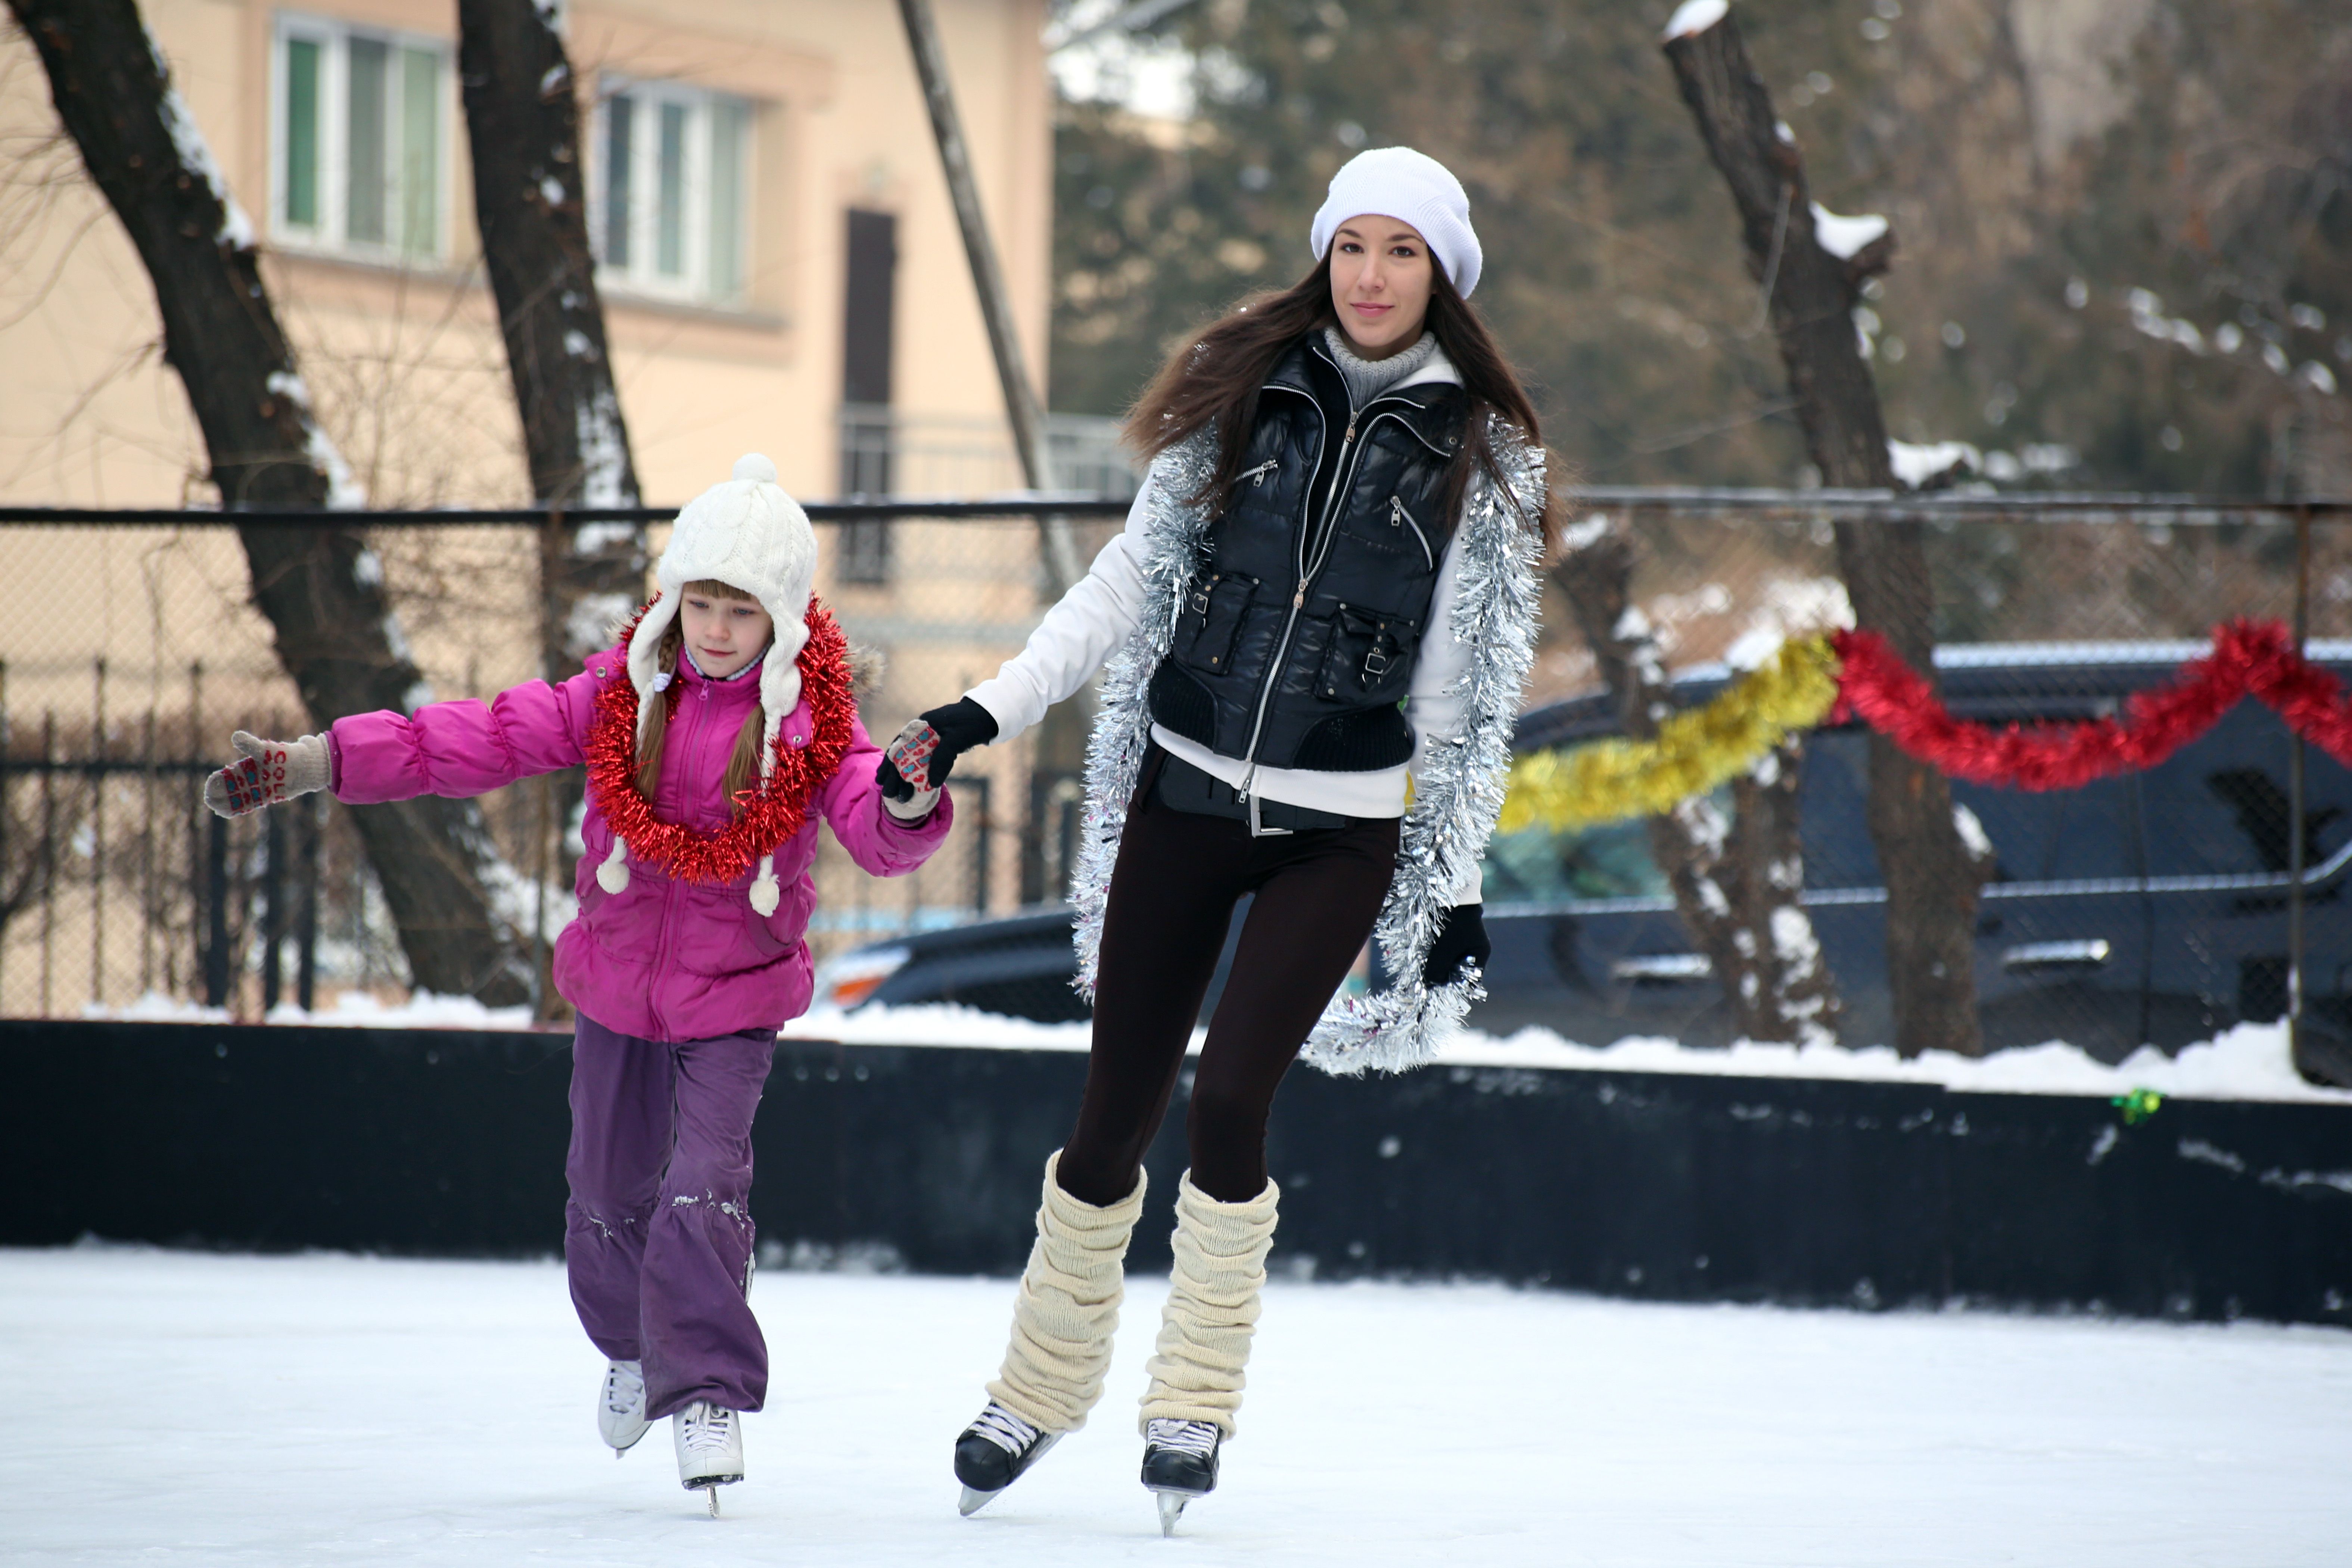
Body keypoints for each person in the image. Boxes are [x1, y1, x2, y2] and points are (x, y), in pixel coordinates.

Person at [877, 147, 1548, 1533]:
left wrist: (1457, 886)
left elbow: (1460, 692)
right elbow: (1127, 579)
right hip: (1182, 794)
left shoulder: (1479, 455)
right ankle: (1040, 1388)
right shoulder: (1242, 390)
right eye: (1352, 245)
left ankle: (1190, 1401)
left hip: (1336, 829)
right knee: (1111, 1111)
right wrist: (980, 712)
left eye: (1401, 251)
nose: (1370, 275)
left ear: (1443, 275)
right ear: (1324, 254)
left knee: (1234, 1097)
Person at [204, 455, 953, 1515]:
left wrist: (912, 803)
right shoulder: (619, 693)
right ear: (674, 597)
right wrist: (324, 761)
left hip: (734, 996)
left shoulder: (808, 723)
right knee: (604, 1198)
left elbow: (872, 827)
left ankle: (706, 1390)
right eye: (702, 602)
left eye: (742, 609)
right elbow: (482, 736)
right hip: (614, 984)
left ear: (781, 614)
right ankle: (632, 1348)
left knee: (704, 1183)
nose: (718, 629)